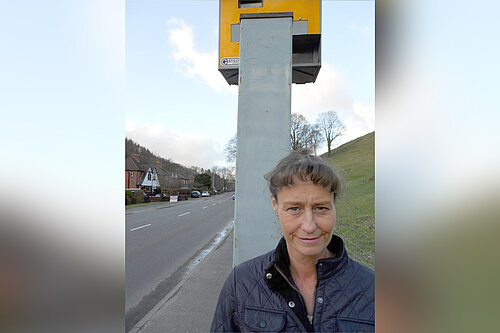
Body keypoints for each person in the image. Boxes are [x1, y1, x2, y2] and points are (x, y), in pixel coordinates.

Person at [211, 152, 374, 332]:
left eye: (321, 208)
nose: (309, 226)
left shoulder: (374, 290)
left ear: (334, 205)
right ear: (275, 205)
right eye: (294, 209)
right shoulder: (241, 282)